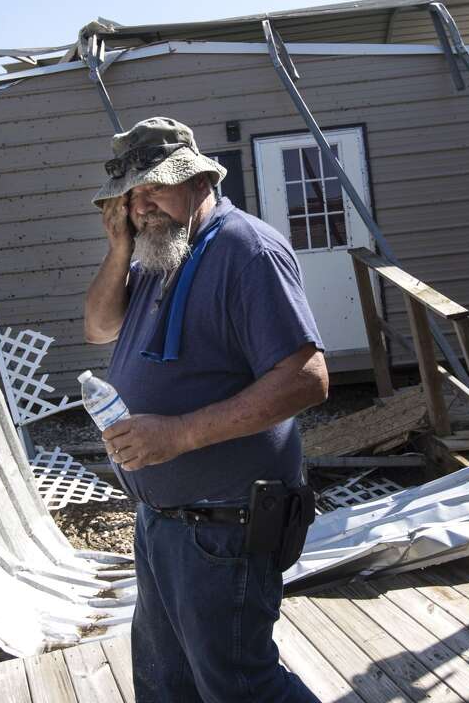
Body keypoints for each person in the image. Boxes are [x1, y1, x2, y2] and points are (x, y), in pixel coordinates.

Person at [83, 116, 326, 702]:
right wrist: (119, 248)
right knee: (168, 684)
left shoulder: (248, 250)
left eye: (156, 186)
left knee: (241, 687)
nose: (143, 204)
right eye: (132, 194)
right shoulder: (159, 255)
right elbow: (98, 327)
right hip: (164, 522)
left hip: (226, 525)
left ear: (197, 180)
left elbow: (307, 379)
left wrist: (180, 435)